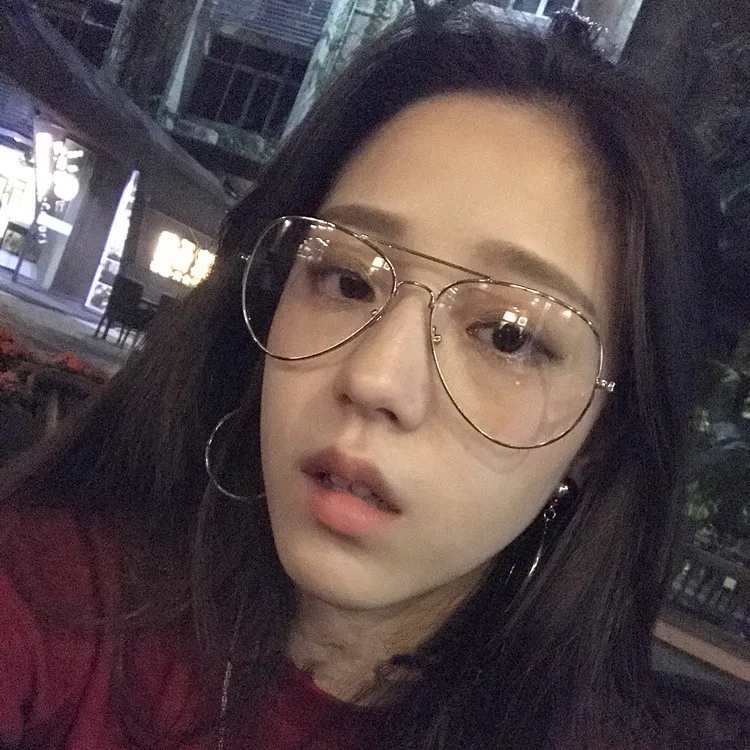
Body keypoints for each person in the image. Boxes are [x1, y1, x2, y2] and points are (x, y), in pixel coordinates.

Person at [1, 4, 748, 749]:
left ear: (599, 436)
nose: (376, 379)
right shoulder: (56, 600)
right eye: (348, 279)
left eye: (509, 336)